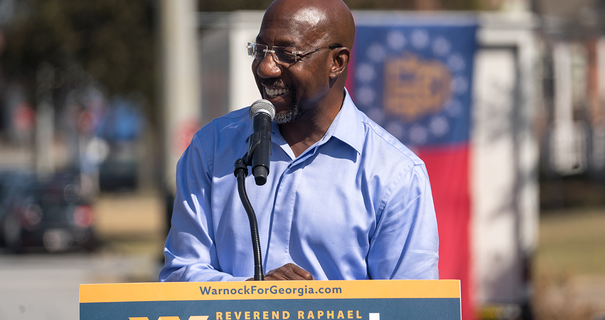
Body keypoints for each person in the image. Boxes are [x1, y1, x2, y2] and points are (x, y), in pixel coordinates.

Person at [159, 0, 438, 282]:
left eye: (287, 54)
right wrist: (251, 293)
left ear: (337, 62)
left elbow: (411, 305)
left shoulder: (395, 174)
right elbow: (180, 275)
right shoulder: (211, 149)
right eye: (260, 50)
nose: (266, 68)